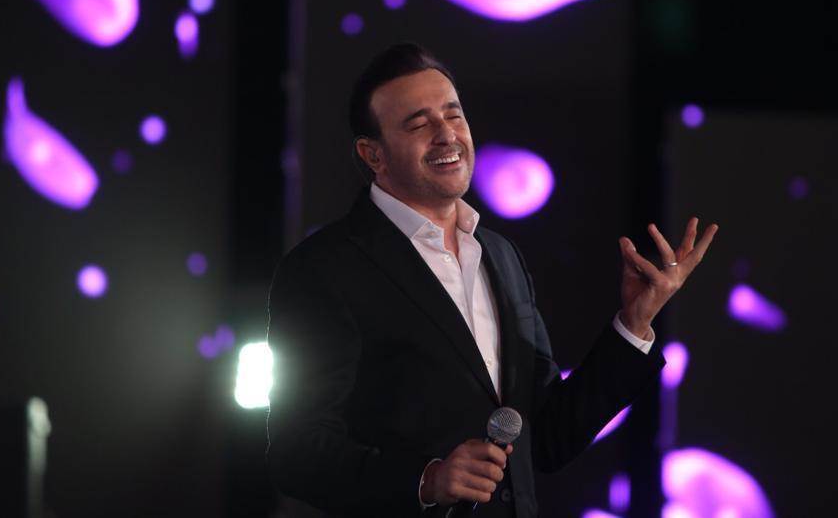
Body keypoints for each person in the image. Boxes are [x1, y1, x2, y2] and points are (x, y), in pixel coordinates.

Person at [266, 43, 718, 517]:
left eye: (453, 115)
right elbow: (297, 452)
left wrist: (634, 324)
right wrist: (426, 481)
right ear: (373, 154)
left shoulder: (500, 255)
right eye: (419, 124)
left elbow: (548, 437)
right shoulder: (324, 268)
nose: (446, 135)